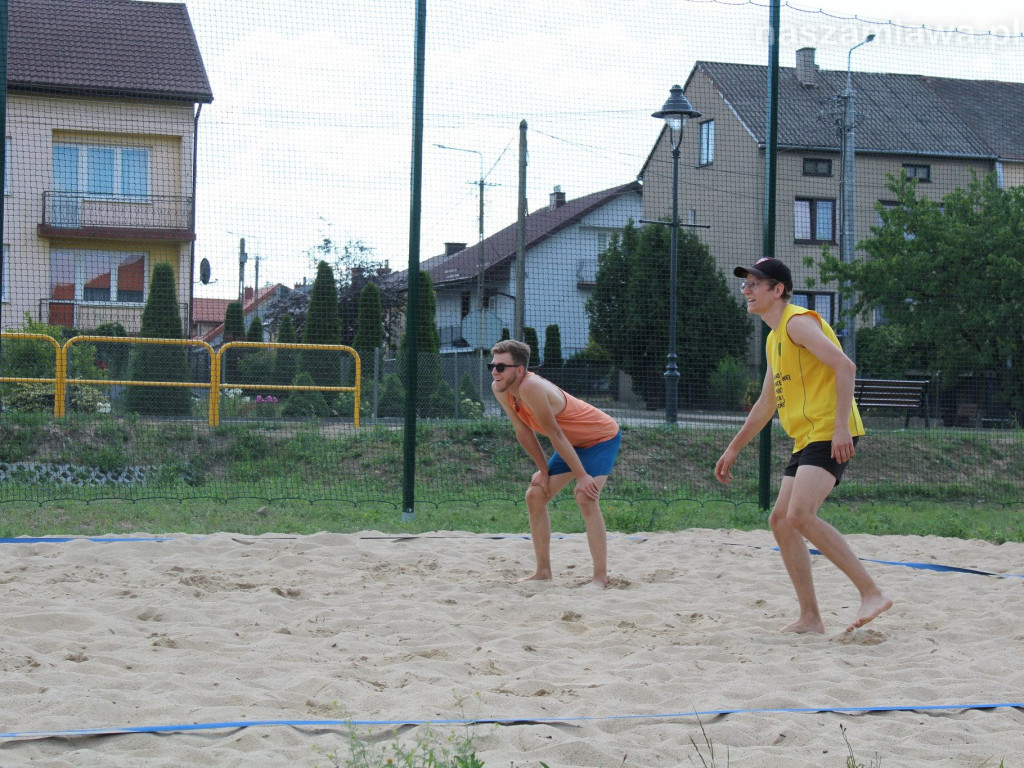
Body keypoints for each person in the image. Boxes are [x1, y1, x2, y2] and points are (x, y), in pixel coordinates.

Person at [714, 257, 892, 633]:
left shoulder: (797, 322)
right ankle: (810, 617)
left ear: (777, 290)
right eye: (744, 283)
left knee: (800, 515)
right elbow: (766, 404)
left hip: (831, 430)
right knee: (780, 520)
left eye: (754, 284)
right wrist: (733, 448)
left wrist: (842, 427)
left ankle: (871, 592)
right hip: (809, 435)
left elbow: (845, 366)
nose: (746, 289)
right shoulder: (774, 337)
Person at [490, 339, 621, 588]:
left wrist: (582, 476)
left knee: (585, 496)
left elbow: (555, 434)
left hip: (600, 438)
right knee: (535, 495)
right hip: (571, 443)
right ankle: (543, 572)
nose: (495, 371)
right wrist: (543, 469)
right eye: (492, 365)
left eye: (501, 366)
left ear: (519, 370)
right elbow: (523, 432)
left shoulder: (531, 387)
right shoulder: (501, 389)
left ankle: (600, 578)